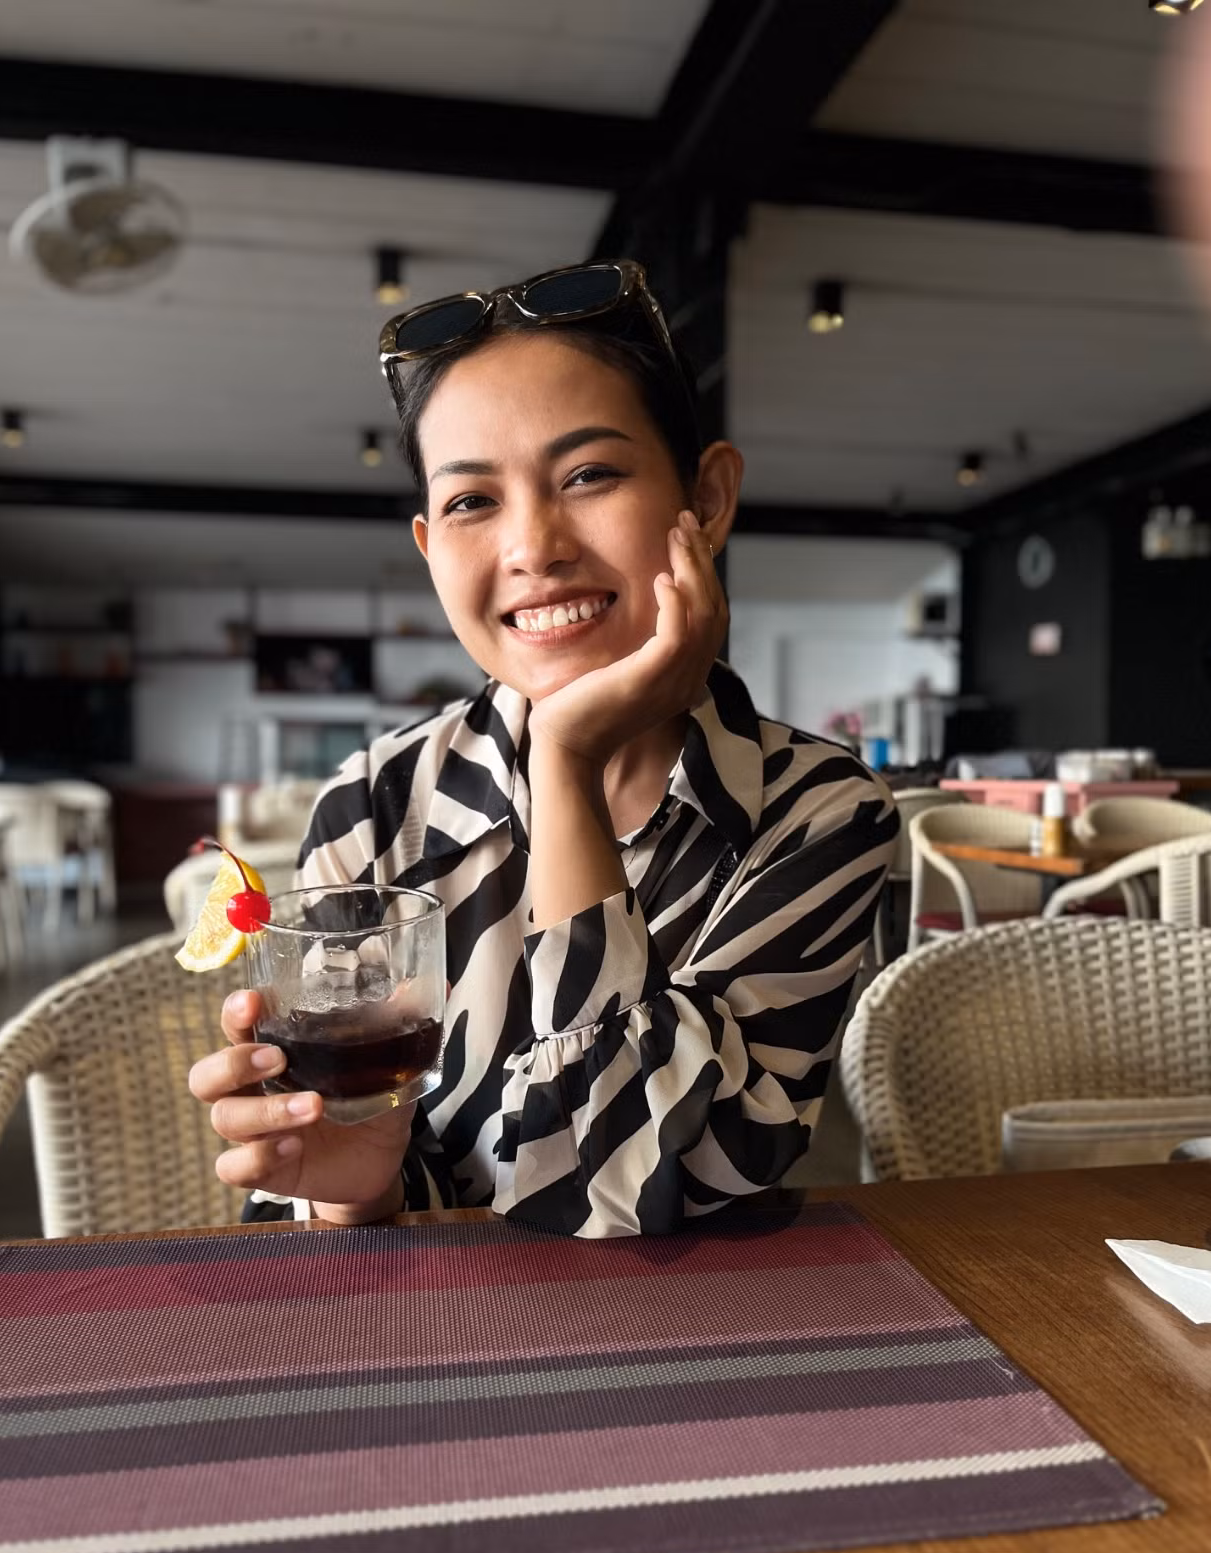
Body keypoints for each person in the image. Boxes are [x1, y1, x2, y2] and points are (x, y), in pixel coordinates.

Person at [188, 261, 898, 1238]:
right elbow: (325, 1201)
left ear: (707, 499)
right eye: (471, 502)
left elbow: (642, 1195)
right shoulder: (376, 805)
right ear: (430, 547)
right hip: (424, 1320)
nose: (533, 546)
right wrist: (356, 1189)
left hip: (705, 1319)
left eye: (589, 476)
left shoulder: (817, 811)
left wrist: (564, 762)